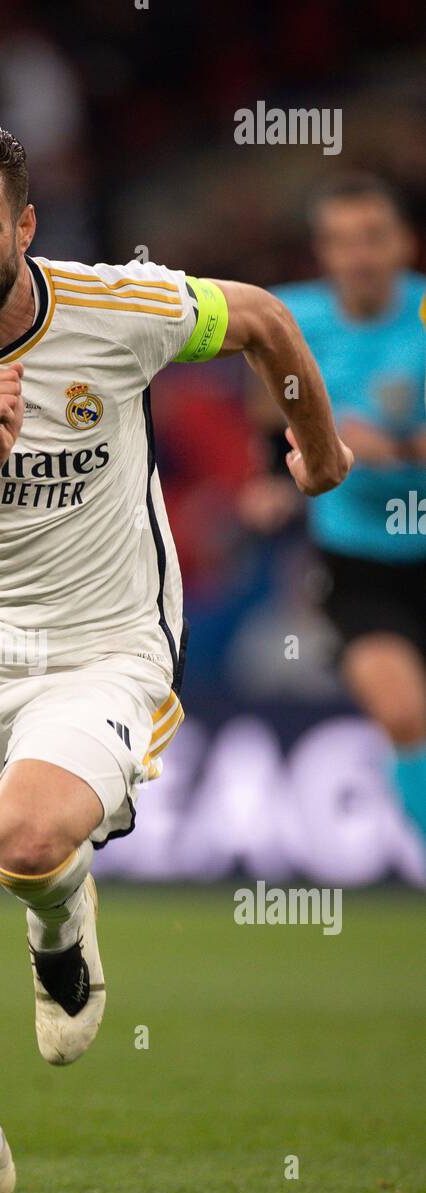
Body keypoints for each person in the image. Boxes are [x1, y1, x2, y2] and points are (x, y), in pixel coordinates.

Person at [0, 117, 351, 1193]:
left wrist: (314, 447)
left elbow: (264, 318)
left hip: (103, 641)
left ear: (23, 229)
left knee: (25, 839)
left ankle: (56, 914)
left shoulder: (119, 307)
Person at [241, 173, 426, 848]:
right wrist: (270, 478)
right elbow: (268, 409)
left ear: (404, 242)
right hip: (356, 560)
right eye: (342, 242)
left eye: (374, 237)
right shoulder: (291, 319)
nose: (360, 256)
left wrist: (398, 447)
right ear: (324, 252)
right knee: (404, 716)